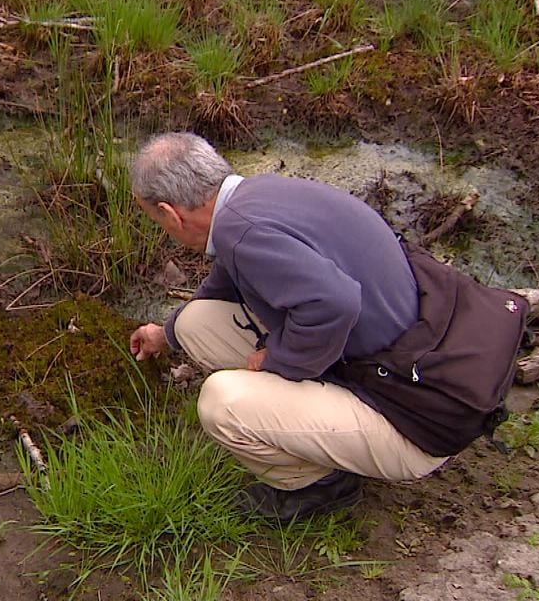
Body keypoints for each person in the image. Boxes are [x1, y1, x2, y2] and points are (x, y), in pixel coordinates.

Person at [127, 132, 449, 525]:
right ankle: (319, 420)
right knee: (195, 323)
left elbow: (335, 303)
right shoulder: (256, 196)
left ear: (171, 213)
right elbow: (228, 279)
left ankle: (322, 484)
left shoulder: (242, 231)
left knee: (220, 402)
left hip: (413, 418)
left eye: (159, 222)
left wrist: (279, 360)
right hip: (409, 362)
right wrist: (165, 334)